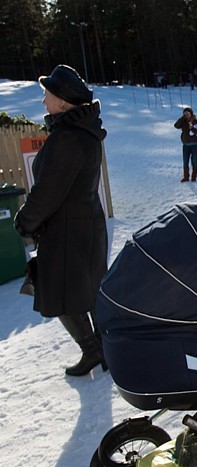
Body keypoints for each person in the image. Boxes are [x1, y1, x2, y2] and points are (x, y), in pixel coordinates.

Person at [14, 64, 108, 377]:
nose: (43, 101)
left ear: (63, 102)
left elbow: (48, 192)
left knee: (63, 294)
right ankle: (105, 351)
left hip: (67, 230)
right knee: (89, 291)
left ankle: (94, 351)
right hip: (85, 225)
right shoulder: (84, 131)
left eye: (47, 95)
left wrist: (25, 221)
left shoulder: (67, 138)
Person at [174, 107, 197, 182]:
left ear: (191, 114)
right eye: (185, 114)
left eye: (188, 113)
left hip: (195, 145)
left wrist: (192, 129)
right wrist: (182, 118)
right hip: (186, 145)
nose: (187, 115)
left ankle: (194, 177)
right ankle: (186, 177)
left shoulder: (196, 121)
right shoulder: (183, 121)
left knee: (194, 161)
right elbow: (176, 125)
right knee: (185, 161)